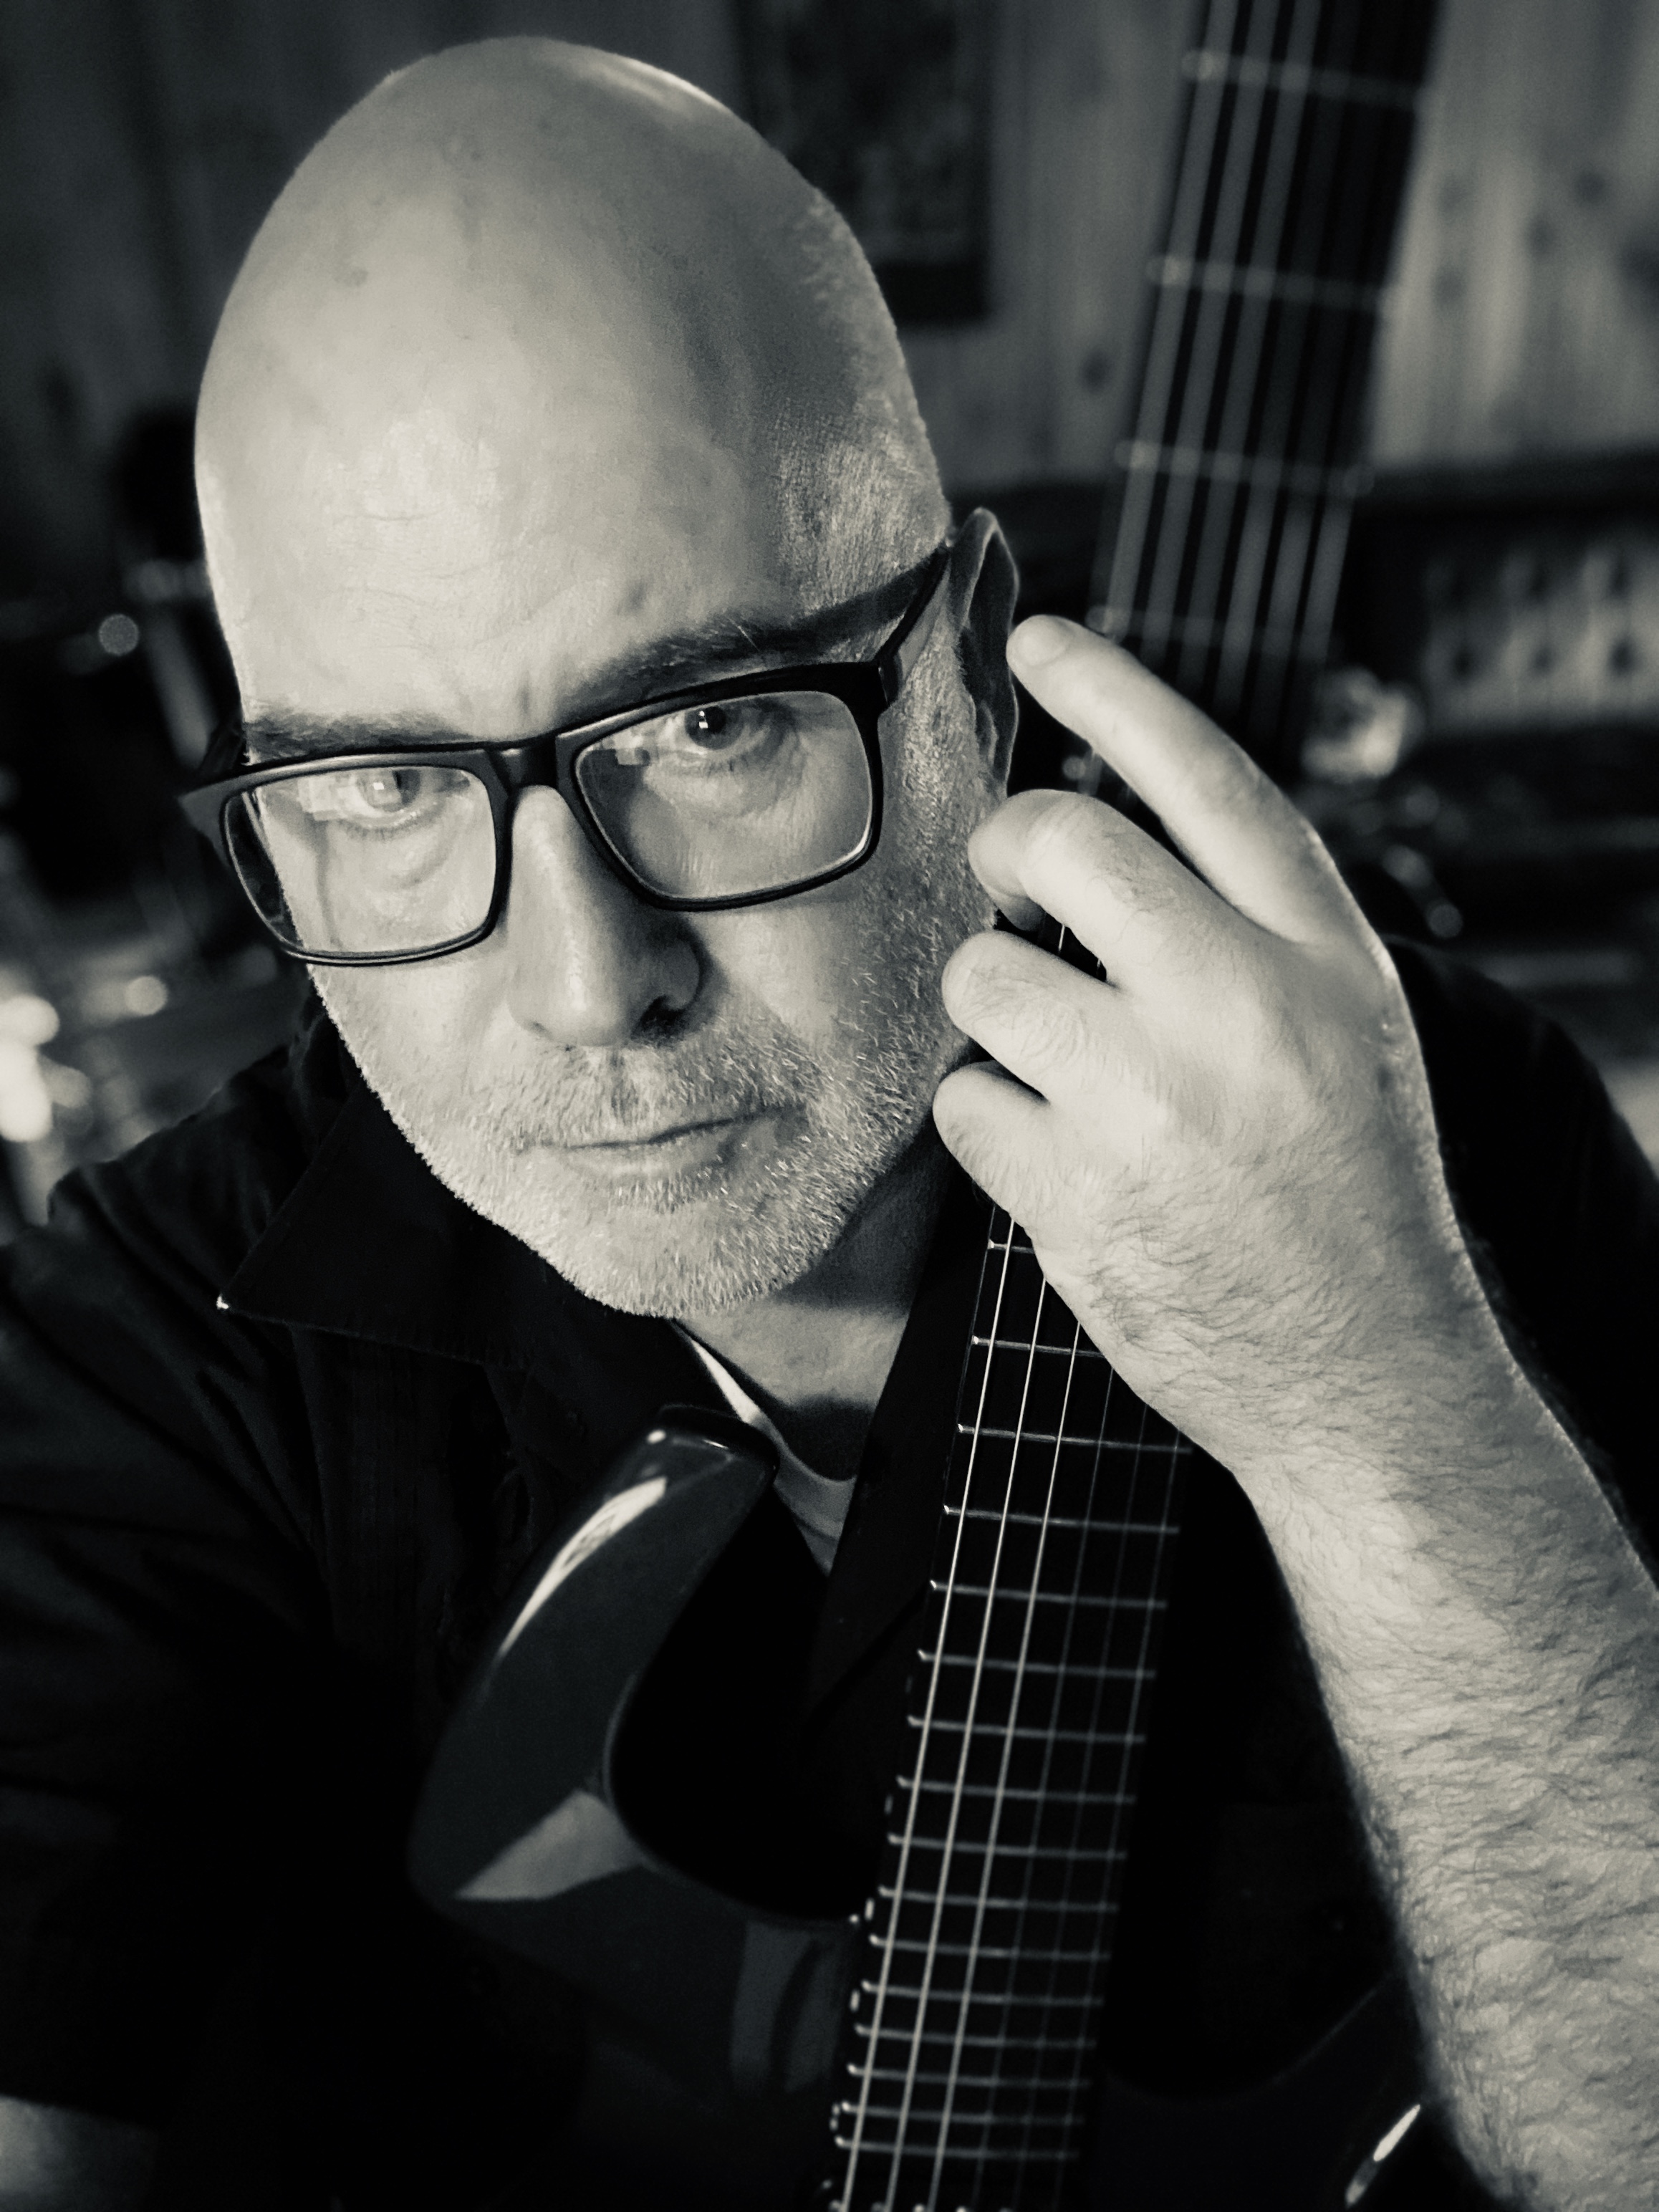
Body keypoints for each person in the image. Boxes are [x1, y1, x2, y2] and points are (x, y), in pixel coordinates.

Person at [0, 38, 1655, 2212]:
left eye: (710, 728)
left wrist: (1383, 1409)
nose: (590, 983)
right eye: (384, 788)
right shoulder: (158, 1330)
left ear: (966, 657)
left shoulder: (1436, 1147)